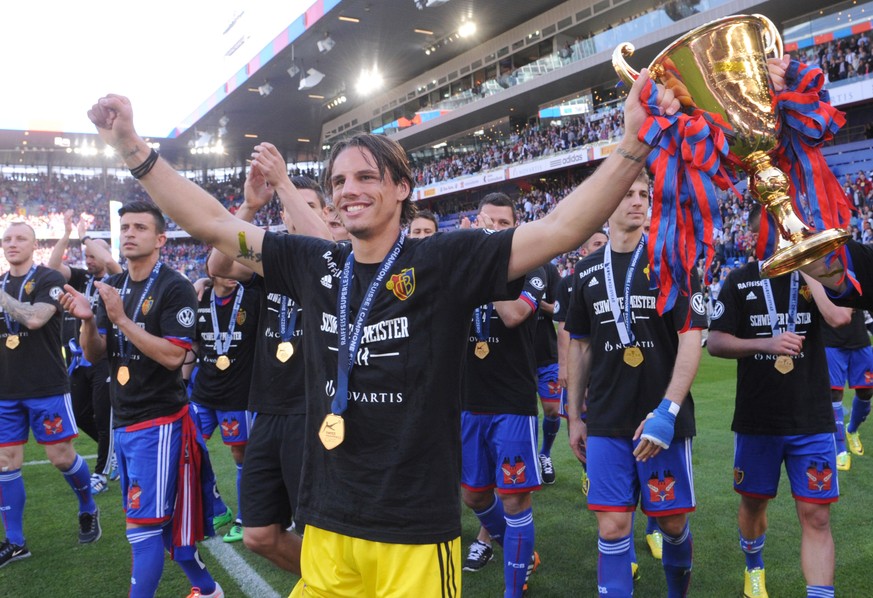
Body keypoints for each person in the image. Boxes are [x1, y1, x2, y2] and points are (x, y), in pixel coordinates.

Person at [85, 70, 677, 596]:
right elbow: (212, 223)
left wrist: (632, 142)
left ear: (401, 188)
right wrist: (131, 145)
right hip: (327, 522)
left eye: (367, 176)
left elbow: (561, 228)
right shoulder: (316, 263)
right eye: (339, 181)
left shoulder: (443, 260)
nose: (349, 190)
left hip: (413, 531)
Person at [60, 202, 223, 598]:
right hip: (125, 419)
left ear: (161, 239)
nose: (130, 233)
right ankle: (208, 590)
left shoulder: (174, 286)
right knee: (159, 525)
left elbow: (174, 356)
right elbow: (95, 353)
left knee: (144, 526)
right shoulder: (116, 286)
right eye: (125, 227)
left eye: (140, 227)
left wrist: (121, 319)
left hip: (160, 422)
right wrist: (87, 320)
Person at [565, 172, 703, 598]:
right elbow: (580, 346)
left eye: (644, 194)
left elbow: (691, 337)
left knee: (672, 523)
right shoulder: (586, 270)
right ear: (609, 203)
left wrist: (668, 411)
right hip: (606, 419)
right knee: (612, 526)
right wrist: (574, 417)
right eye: (628, 194)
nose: (638, 201)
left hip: (661, 420)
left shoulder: (672, 261)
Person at [207, 154, 331, 573]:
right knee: (259, 534)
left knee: (319, 529)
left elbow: (326, 247)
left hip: (315, 410)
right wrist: (249, 207)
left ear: (326, 213)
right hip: (268, 408)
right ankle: (329, 585)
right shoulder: (271, 261)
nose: (298, 211)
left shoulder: (343, 258)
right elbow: (218, 266)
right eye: (292, 205)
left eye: (309, 205)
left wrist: (285, 185)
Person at [707, 246, 838, 598]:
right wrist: (767, 343)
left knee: (818, 516)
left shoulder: (816, 274)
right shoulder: (739, 279)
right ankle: (754, 566)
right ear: (757, 234)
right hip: (758, 419)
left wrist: (808, 267)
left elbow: (840, 317)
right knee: (753, 504)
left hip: (811, 418)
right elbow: (715, 342)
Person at [0, 221, 101, 569]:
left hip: (45, 386)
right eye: (7, 239)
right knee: (5, 462)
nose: (12, 243)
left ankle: (88, 507)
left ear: (34, 245)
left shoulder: (49, 280)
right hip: (5, 390)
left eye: (20, 238)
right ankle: (15, 542)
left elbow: (34, 319)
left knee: (60, 457)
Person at [459, 193, 545, 596]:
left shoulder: (533, 268)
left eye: (502, 224)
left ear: (515, 228)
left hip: (512, 401)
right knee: (474, 494)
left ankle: (514, 588)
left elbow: (513, 315)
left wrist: (482, 262)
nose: (493, 230)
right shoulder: (459, 265)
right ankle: (519, 549)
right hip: (467, 398)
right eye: (486, 223)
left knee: (514, 499)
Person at [47, 209, 122, 494]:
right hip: (77, 361)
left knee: (104, 417)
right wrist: (67, 234)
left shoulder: (116, 279)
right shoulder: (80, 278)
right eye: (86, 256)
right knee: (79, 414)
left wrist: (84, 237)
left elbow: (109, 262)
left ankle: (101, 473)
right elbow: (53, 268)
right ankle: (113, 450)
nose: (88, 260)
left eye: (93, 256)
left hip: (103, 358)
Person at [189, 265, 261, 543]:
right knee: (190, 449)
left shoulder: (251, 297)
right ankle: (218, 507)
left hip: (238, 395)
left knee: (241, 456)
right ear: (212, 270)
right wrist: (182, 383)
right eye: (225, 267)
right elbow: (195, 343)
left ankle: (246, 517)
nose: (233, 272)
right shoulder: (200, 298)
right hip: (203, 393)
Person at [816, 293, 872, 472]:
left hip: (859, 340)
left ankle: (852, 430)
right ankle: (840, 449)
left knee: (866, 392)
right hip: (830, 342)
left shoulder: (855, 278)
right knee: (834, 394)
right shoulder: (818, 279)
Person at [534, 257, 562, 485]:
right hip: (517, 357)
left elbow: (561, 310)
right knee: (523, 413)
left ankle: (545, 454)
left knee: (553, 410)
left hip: (547, 354)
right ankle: (529, 457)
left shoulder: (548, 270)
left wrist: (536, 302)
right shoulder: (509, 265)